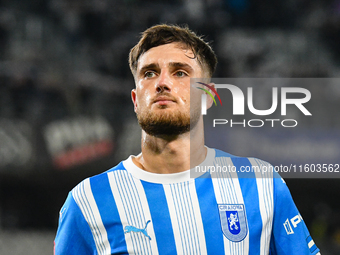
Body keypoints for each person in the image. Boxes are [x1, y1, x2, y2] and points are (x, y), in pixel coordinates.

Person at [54, 24, 321, 255]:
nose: (162, 83)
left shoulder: (261, 183)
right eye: (149, 73)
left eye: (180, 72)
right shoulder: (87, 201)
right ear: (136, 100)